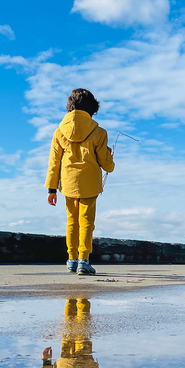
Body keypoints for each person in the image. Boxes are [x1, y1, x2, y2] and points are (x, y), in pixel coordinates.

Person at [45, 89, 115, 276]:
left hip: (68, 183)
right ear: (92, 108)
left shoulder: (59, 132)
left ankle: (71, 259)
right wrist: (110, 159)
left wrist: (52, 189)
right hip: (90, 183)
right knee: (86, 222)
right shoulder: (99, 132)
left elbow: (54, 162)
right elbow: (106, 164)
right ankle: (84, 260)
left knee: (71, 221)